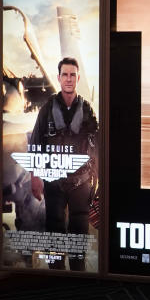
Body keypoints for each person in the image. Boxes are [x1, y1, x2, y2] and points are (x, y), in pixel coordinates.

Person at [29, 57, 98, 270]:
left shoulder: (87, 110)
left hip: (81, 181)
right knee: (54, 230)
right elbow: (35, 142)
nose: (69, 79)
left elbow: (96, 146)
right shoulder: (47, 109)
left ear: (77, 78)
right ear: (59, 78)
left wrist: (98, 178)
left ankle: (78, 275)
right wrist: (35, 176)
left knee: (79, 230)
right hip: (54, 181)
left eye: (72, 75)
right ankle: (56, 277)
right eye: (65, 75)